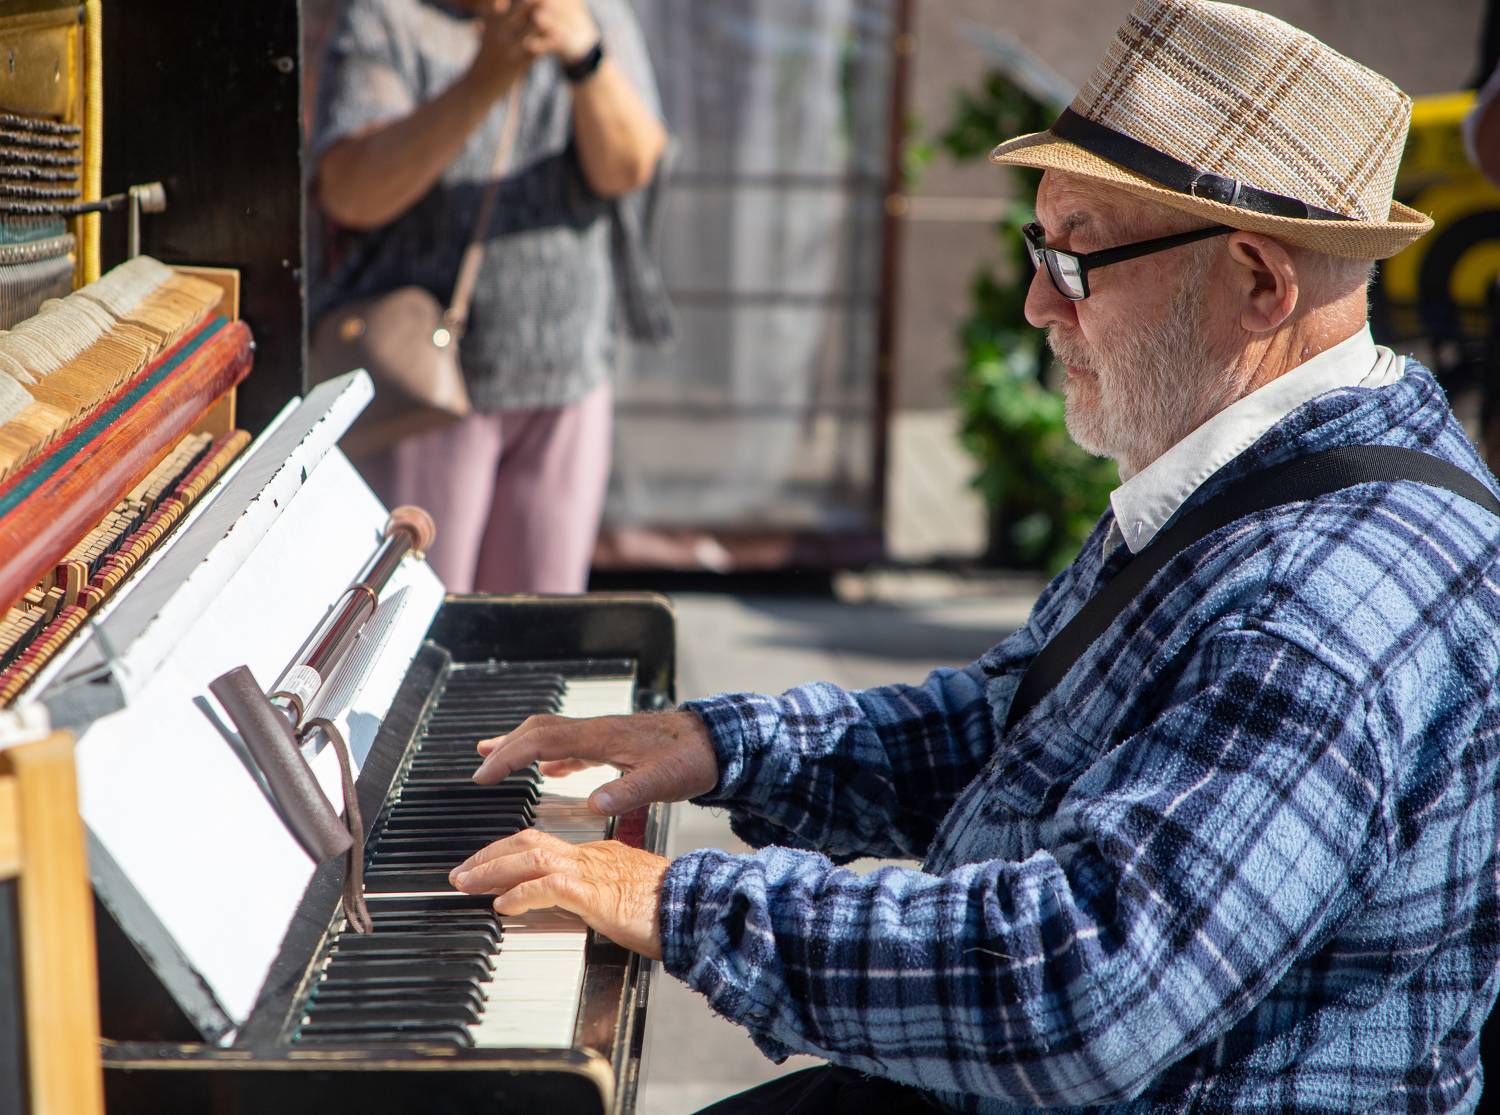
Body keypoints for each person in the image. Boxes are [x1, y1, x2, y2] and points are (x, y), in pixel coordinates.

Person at [451, 2, 1500, 1110]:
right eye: (1041, 246)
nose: (1039, 300)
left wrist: (674, 901)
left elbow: (1079, 984)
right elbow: (1012, 731)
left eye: (1079, 254)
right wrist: (724, 744)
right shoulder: (1258, 458)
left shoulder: (1319, 605)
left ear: (1259, 283)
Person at [311, 0, 667, 593]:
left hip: (567, 382)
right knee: (415, 612)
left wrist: (586, 59)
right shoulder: (387, 18)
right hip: (418, 390)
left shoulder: (597, 13)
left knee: (538, 623)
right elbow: (352, 193)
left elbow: (630, 168)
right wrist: (484, 79)